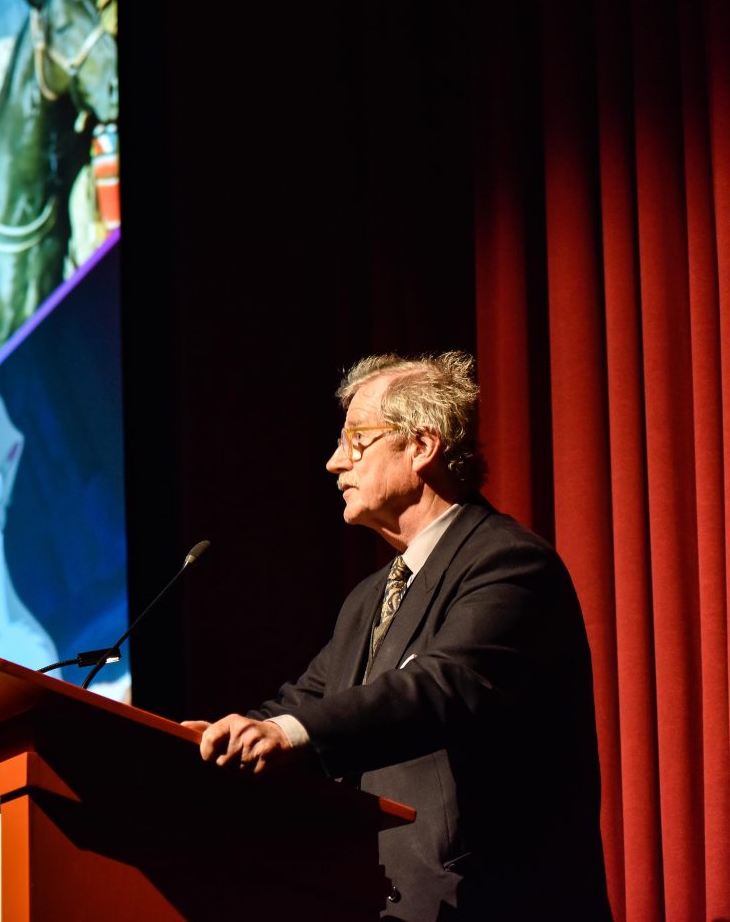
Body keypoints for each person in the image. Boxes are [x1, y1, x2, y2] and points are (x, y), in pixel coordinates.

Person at [183, 352, 609, 921]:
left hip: (492, 903)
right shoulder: (370, 596)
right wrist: (212, 738)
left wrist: (284, 733)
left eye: (356, 440)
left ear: (422, 446)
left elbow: (441, 685)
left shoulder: (507, 563)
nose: (335, 463)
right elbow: (309, 702)